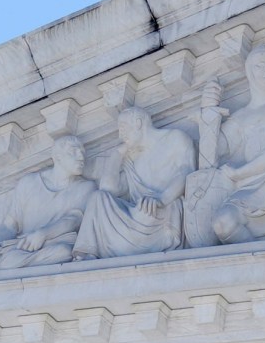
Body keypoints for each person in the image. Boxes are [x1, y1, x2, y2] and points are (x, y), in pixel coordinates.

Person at [182, 45, 265, 246]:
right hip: (248, 190)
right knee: (222, 223)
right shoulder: (241, 117)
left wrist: (239, 173)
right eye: (260, 65)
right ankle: (258, 260)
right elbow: (211, 158)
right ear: (249, 72)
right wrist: (209, 113)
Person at [74, 104, 195, 258]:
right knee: (97, 198)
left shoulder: (175, 138)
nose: (120, 135)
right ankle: (86, 254)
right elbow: (107, 189)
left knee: (146, 211)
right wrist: (116, 155)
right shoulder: (132, 158)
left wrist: (162, 199)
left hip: (161, 213)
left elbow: (187, 172)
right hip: (138, 213)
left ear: (138, 123)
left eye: (123, 128)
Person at [0, 136, 97, 269]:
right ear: (57, 157)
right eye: (74, 151)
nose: (81, 157)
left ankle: (6, 266)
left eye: (82, 152)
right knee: (11, 257)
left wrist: (42, 234)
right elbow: (10, 224)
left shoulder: (86, 188)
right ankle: (6, 263)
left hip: (54, 247)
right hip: (22, 247)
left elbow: (74, 219)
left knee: (64, 252)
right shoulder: (28, 183)